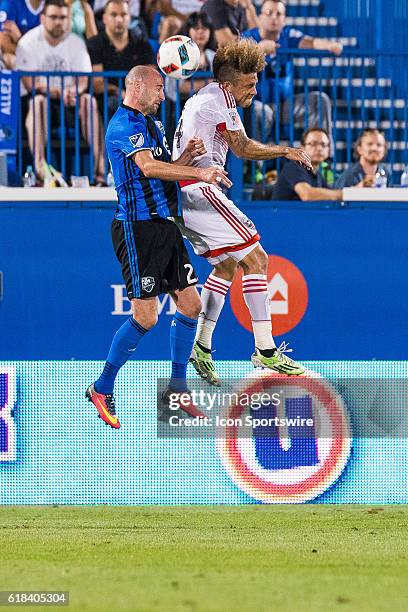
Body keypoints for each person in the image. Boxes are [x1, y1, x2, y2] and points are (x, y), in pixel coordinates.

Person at [86, 65, 232, 429]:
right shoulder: (123, 125)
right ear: (135, 86)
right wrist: (200, 172)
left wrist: (185, 162)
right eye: (156, 88)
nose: (161, 95)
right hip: (138, 230)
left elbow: (163, 167)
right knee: (146, 316)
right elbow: (149, 169)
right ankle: (102, 387)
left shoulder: (154, 123)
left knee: (192, 303)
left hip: (165, 225)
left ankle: (177, 392)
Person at [172, 38, 313, 384]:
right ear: (230, 83)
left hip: (186, 196)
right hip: (200, 190)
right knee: (258, 259)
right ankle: (265, 349)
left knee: (227, 264)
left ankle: (201, 345)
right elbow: (244, 148)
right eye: (250, 84)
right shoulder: (219, 100)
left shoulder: (208, 96)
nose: (255, 90)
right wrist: (286, 151)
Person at [15, 0, 104, 182]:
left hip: (69, 102)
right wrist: (59, 91)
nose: (58, 22)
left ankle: (102, 171)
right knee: (38, 102)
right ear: (42, 18)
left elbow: (83, 81)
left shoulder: (76, 42)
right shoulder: (27, 42)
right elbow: (31, 83)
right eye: (54, 17)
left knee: (89, 101)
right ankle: (41, 168)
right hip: (38, 102)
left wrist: (73, 92)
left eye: (63, 17)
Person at [241, 0, 343, 141]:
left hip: (284, 107)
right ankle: (253, 162)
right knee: (260, 110)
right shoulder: (247, 38)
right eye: (269, 13)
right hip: (256, 105)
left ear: (284, 19)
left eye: (279, 14)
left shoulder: (288, 35)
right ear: (260, 17)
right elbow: (234, 63)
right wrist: (258, 49)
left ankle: (322, 156)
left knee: (319, 100)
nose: (274, 18)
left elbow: (311, 42)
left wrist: (330, 45)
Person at [87, 0, 155, 119]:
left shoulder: (143, 45)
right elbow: (97, 83)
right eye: (113, 15)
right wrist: (119, 92)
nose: (119, 19)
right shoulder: (95, 44)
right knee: (113, 103)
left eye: (123, 15)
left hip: (138, 97)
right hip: (108, 99)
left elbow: (152, 78)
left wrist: (133, 95)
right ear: (104, 18)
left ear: (129, 18)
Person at [272, 128, 343, 201]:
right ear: (302, 148)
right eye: (313, 144)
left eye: (323, 144)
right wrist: (344, 194)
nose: (319, 148)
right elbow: (307, 195)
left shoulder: (317, 174)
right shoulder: (293, 167)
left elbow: (330, 193)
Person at [0, 0, 44, 68]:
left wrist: (19, 38)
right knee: (10, 59)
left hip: (42, 59)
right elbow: (3, 42)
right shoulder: (10, 3)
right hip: (15, 57)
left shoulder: (54, 7)